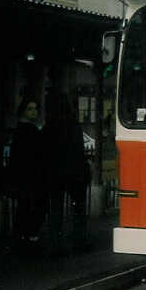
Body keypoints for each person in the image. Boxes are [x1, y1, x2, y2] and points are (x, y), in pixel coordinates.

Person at [42, 92, 91, 254]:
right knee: (78, 210)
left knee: (56, 209)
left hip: (56, 173)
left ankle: (56, 243)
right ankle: (79, 241)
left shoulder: (49, 126)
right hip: (75, 173)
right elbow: (79, 151)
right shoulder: (74, 125)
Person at [7, 98, 46, 243]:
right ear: (23, 111)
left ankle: (22, 234)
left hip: (26, 176)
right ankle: (28, 234)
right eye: (30, 109)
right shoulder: (28, 131)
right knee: (30, 207)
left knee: (25, 207)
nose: (34, 111)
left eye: (35, 108)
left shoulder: (23, 130)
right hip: (29, 176)